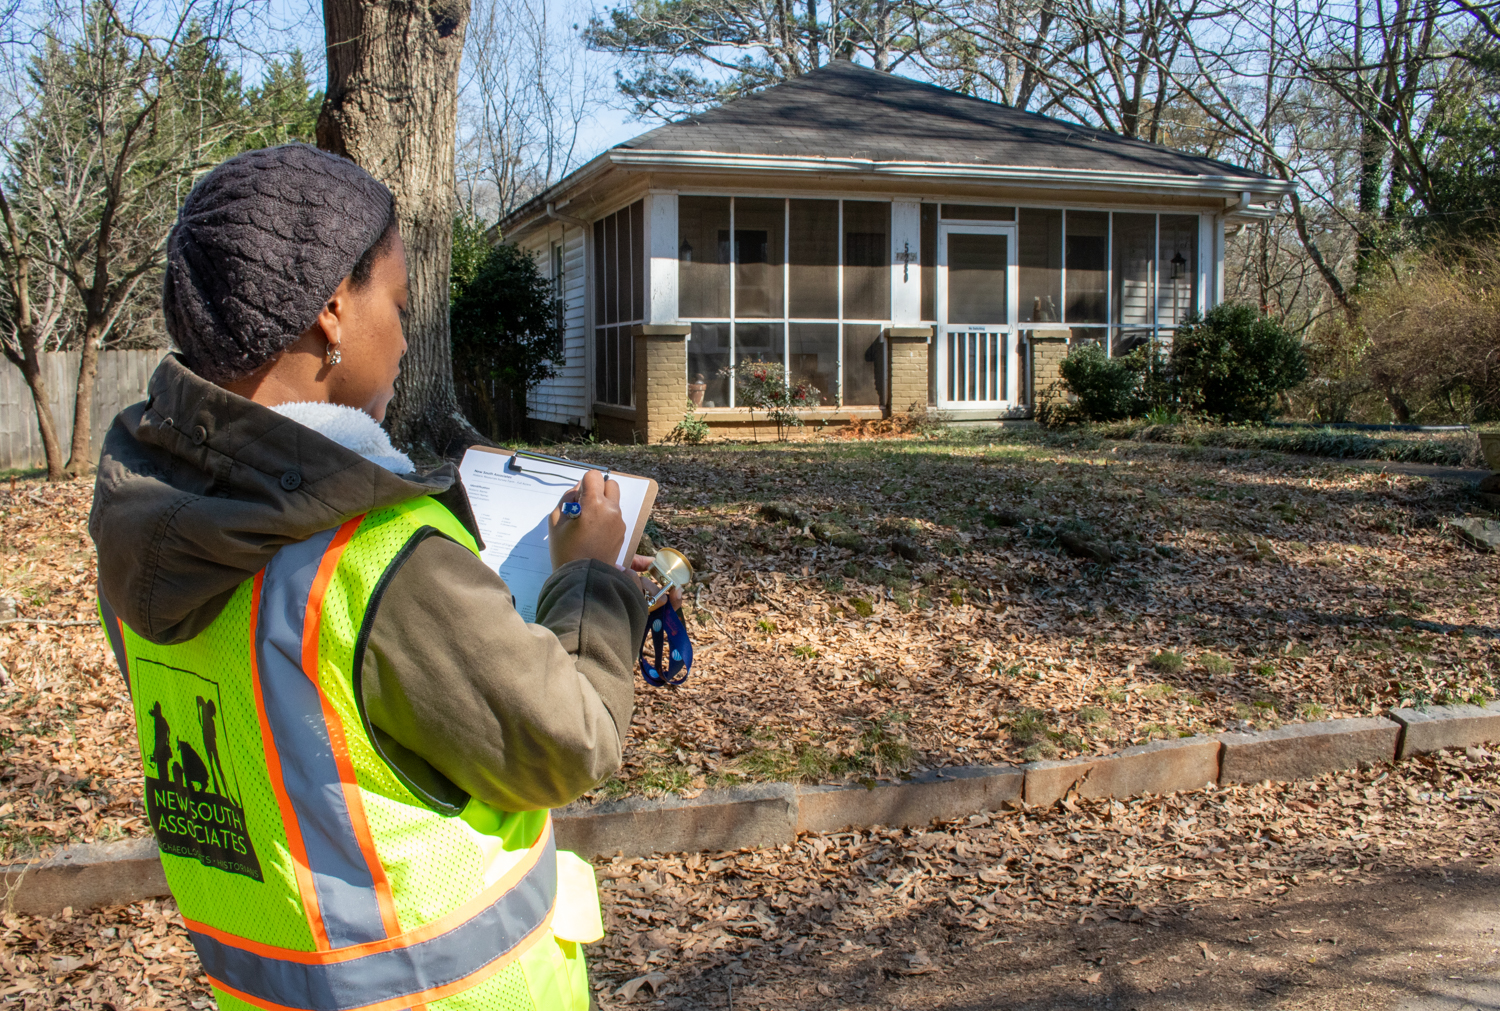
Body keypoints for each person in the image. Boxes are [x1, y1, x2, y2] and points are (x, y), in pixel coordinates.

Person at [90, 142, 653, 1011]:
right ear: (330, 312)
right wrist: (591, 578)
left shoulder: (148, 535)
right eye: (396, 301)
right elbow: (569, 739)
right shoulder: (381, 555)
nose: (405, 333)